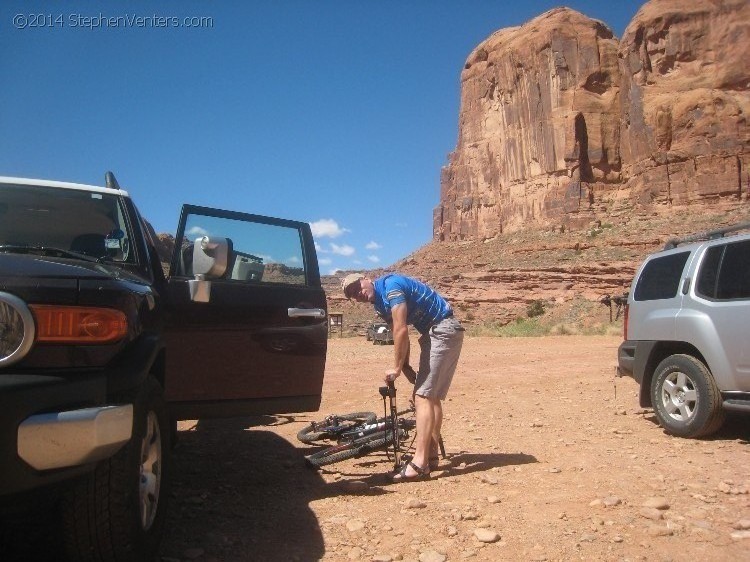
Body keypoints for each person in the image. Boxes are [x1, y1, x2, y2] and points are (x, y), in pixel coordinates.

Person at [341, 272, 464, 482]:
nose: (357, 294)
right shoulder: (380, 304)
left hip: (442, 329)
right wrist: (405, 364)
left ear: (367, 279)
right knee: (430, 396)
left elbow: (401, 329)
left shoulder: (391, 286)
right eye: (352, 294)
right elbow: (396, 330)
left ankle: (420, 464)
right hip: (436, 332)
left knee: (423, 397)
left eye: (357, 287)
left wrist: (397, 368)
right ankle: (430, 454)